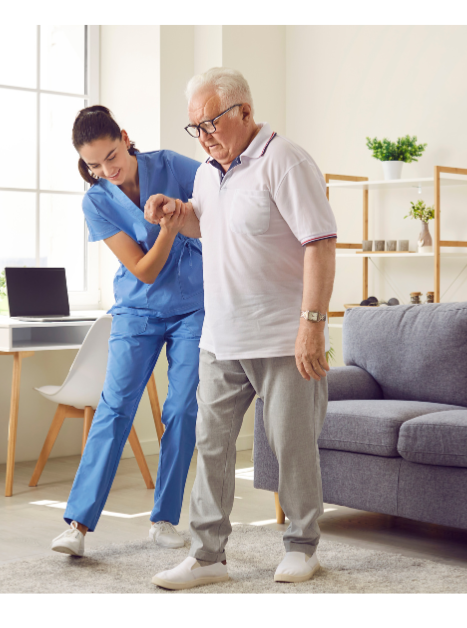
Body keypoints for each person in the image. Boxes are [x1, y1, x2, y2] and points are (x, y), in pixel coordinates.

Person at [143, 68, 338, 589]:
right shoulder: (207, 174)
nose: (204, 136)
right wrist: (177, 212)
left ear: (244, 112)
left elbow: (320, 244)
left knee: (292, 446)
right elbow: (208, 224)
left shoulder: (286, 161)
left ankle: (302, 546)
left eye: (211, 123)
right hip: (221, 337)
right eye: (195, 127)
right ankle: (208, 556)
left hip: (282, 337)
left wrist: (312, 326)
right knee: (211, 446)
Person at [50, 105, 206, 557]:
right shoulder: (97, 201)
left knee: (182, 410)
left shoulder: (172, 165)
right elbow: (144, 269)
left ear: (124, 137)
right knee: (115, 408)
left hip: (193, 308)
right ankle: (77, 525)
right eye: (94, 165)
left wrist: (182, 212)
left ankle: (164, 519)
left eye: (112, 156)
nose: (107, 170)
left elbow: (220, 197)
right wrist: (170, 230)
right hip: (138, 310)